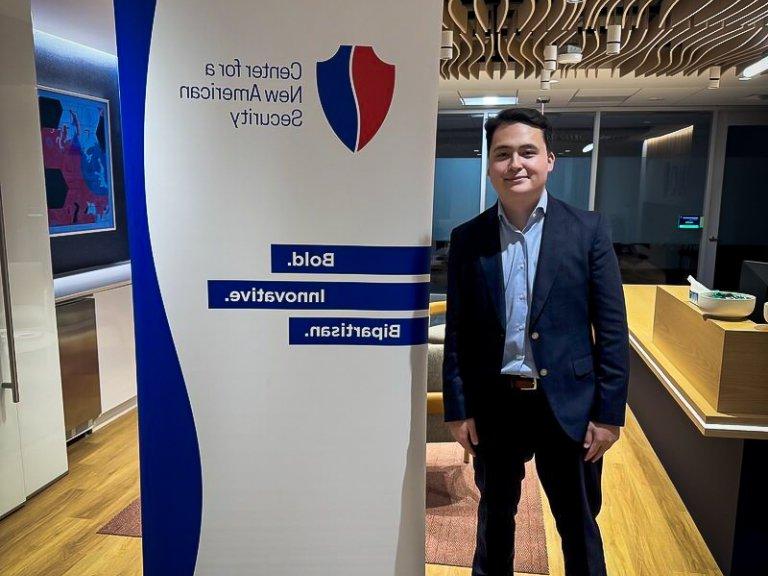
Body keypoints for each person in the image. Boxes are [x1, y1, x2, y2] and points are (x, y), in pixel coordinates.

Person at [442, 108, 629, 576]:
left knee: (579, 527)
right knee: (495, 522)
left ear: (550, 160)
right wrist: (457, 407)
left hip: (567, 404)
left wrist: (608, 416)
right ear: (489, 166)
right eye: (503, 154)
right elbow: (459, 332)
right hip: (496, 405)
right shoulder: (468, 239)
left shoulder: (588, 231)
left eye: (528, 151)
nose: (516, 164)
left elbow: (611, 332)